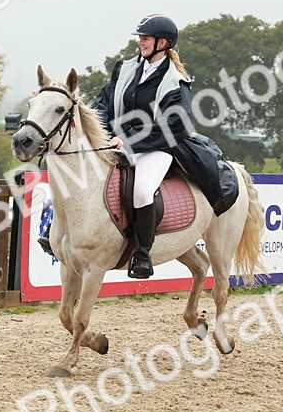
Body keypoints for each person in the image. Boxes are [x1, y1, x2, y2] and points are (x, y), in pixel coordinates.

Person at [90, 14, 238, 279]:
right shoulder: (125, 69)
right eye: (140, 39)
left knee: (143, 191)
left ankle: (142, 253)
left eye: (145, 39)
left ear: (163, 42)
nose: (140, 44)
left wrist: (132, 138)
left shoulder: (175, 80)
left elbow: (176, 124)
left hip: (156, 147)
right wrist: (90, 124)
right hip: (117, 142)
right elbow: (104, 101)